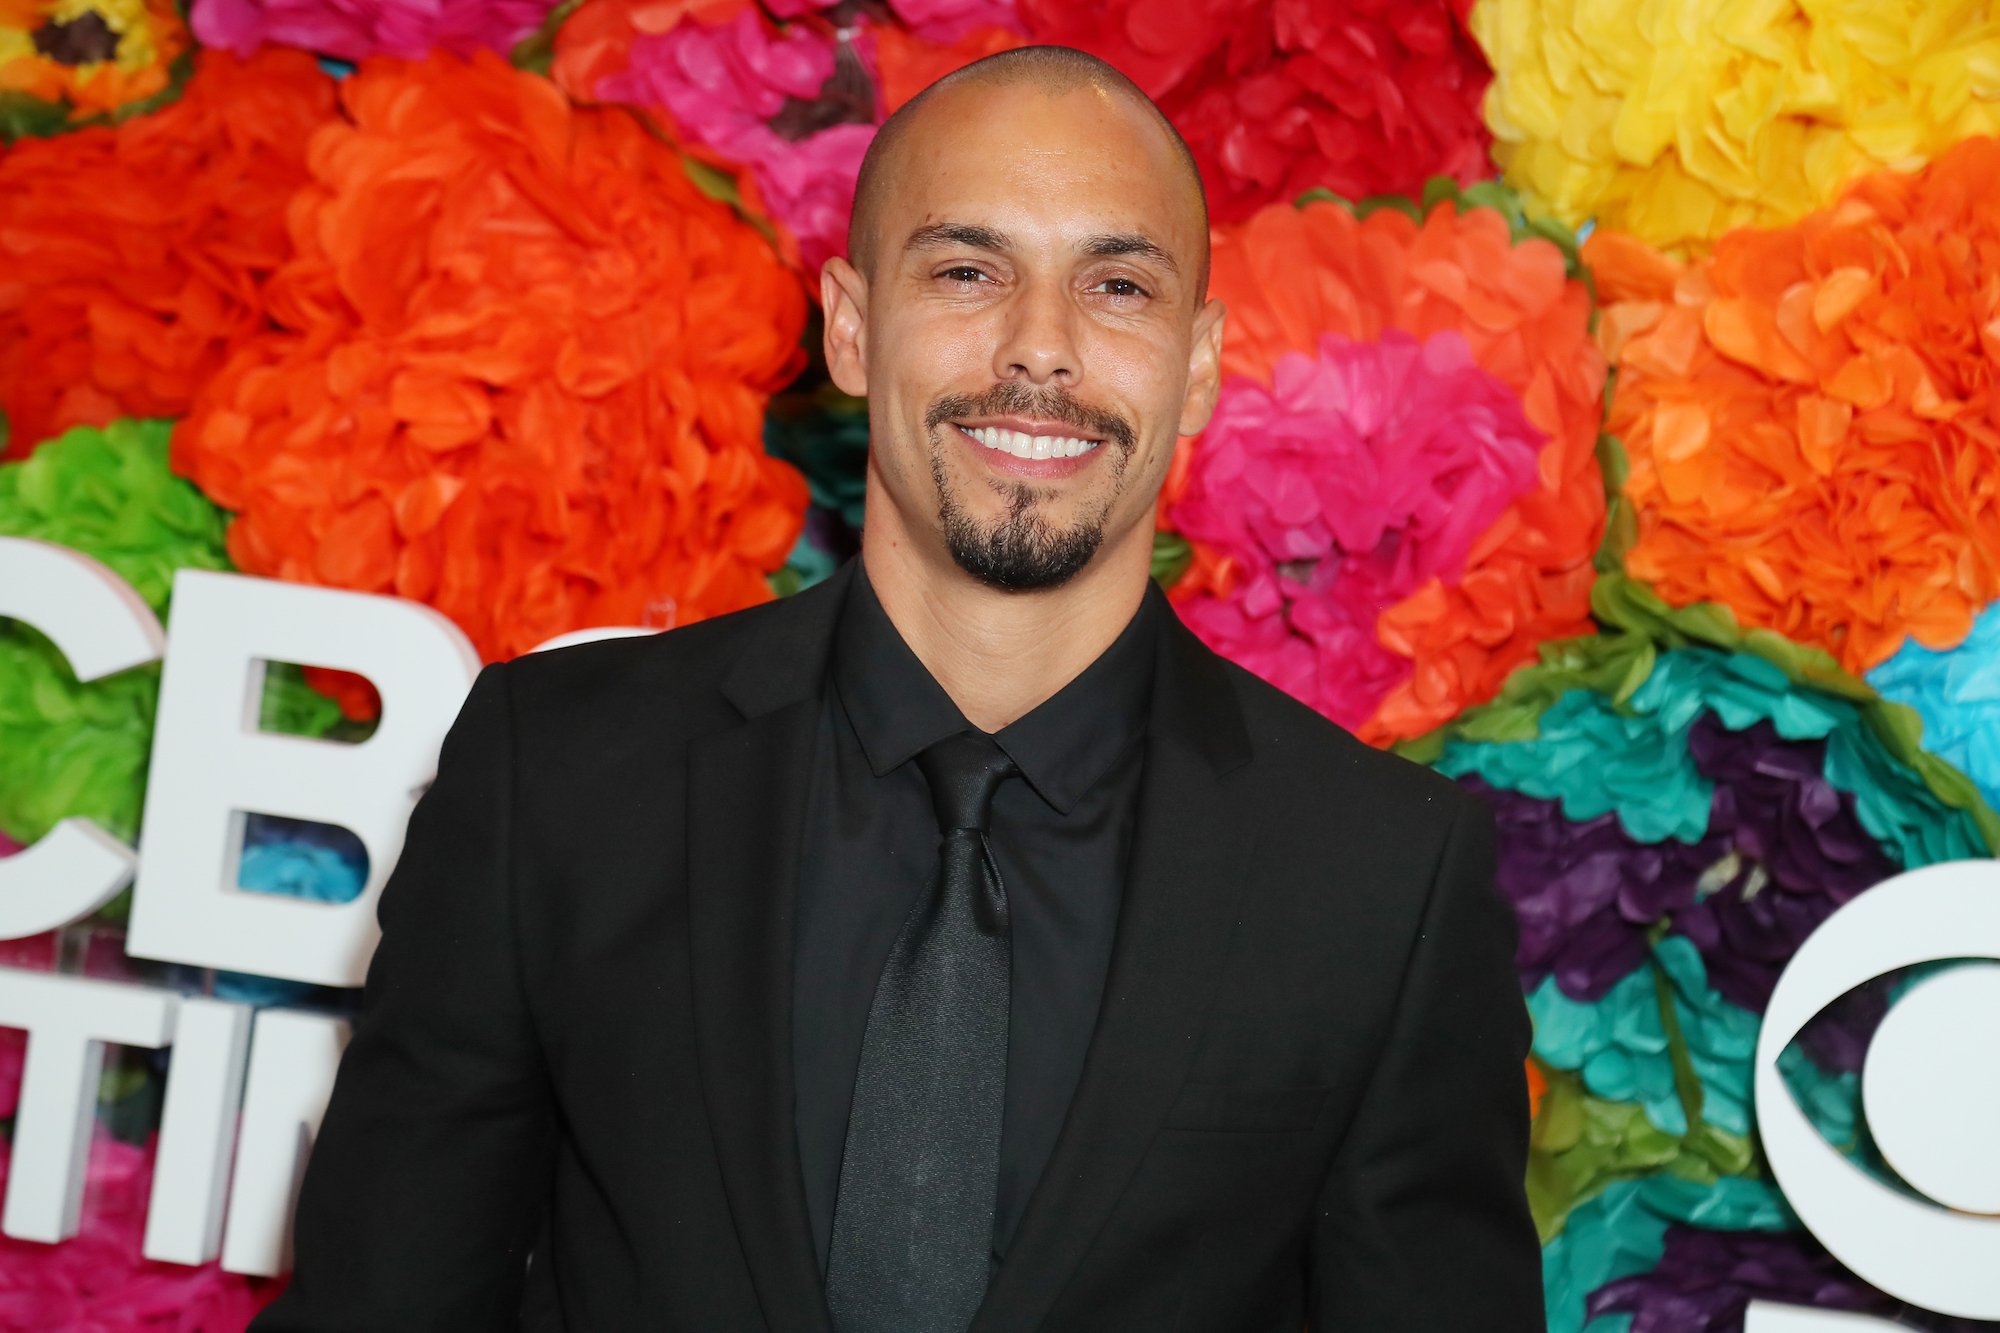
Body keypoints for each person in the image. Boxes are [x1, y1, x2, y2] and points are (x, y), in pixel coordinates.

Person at [254, 44, 1543, 1333]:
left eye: (1117, 286)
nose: (1042, 349)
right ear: (853, 327)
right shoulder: (562, 775)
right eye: (969, 271)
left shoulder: (1381, 883)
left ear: (1197, 364)